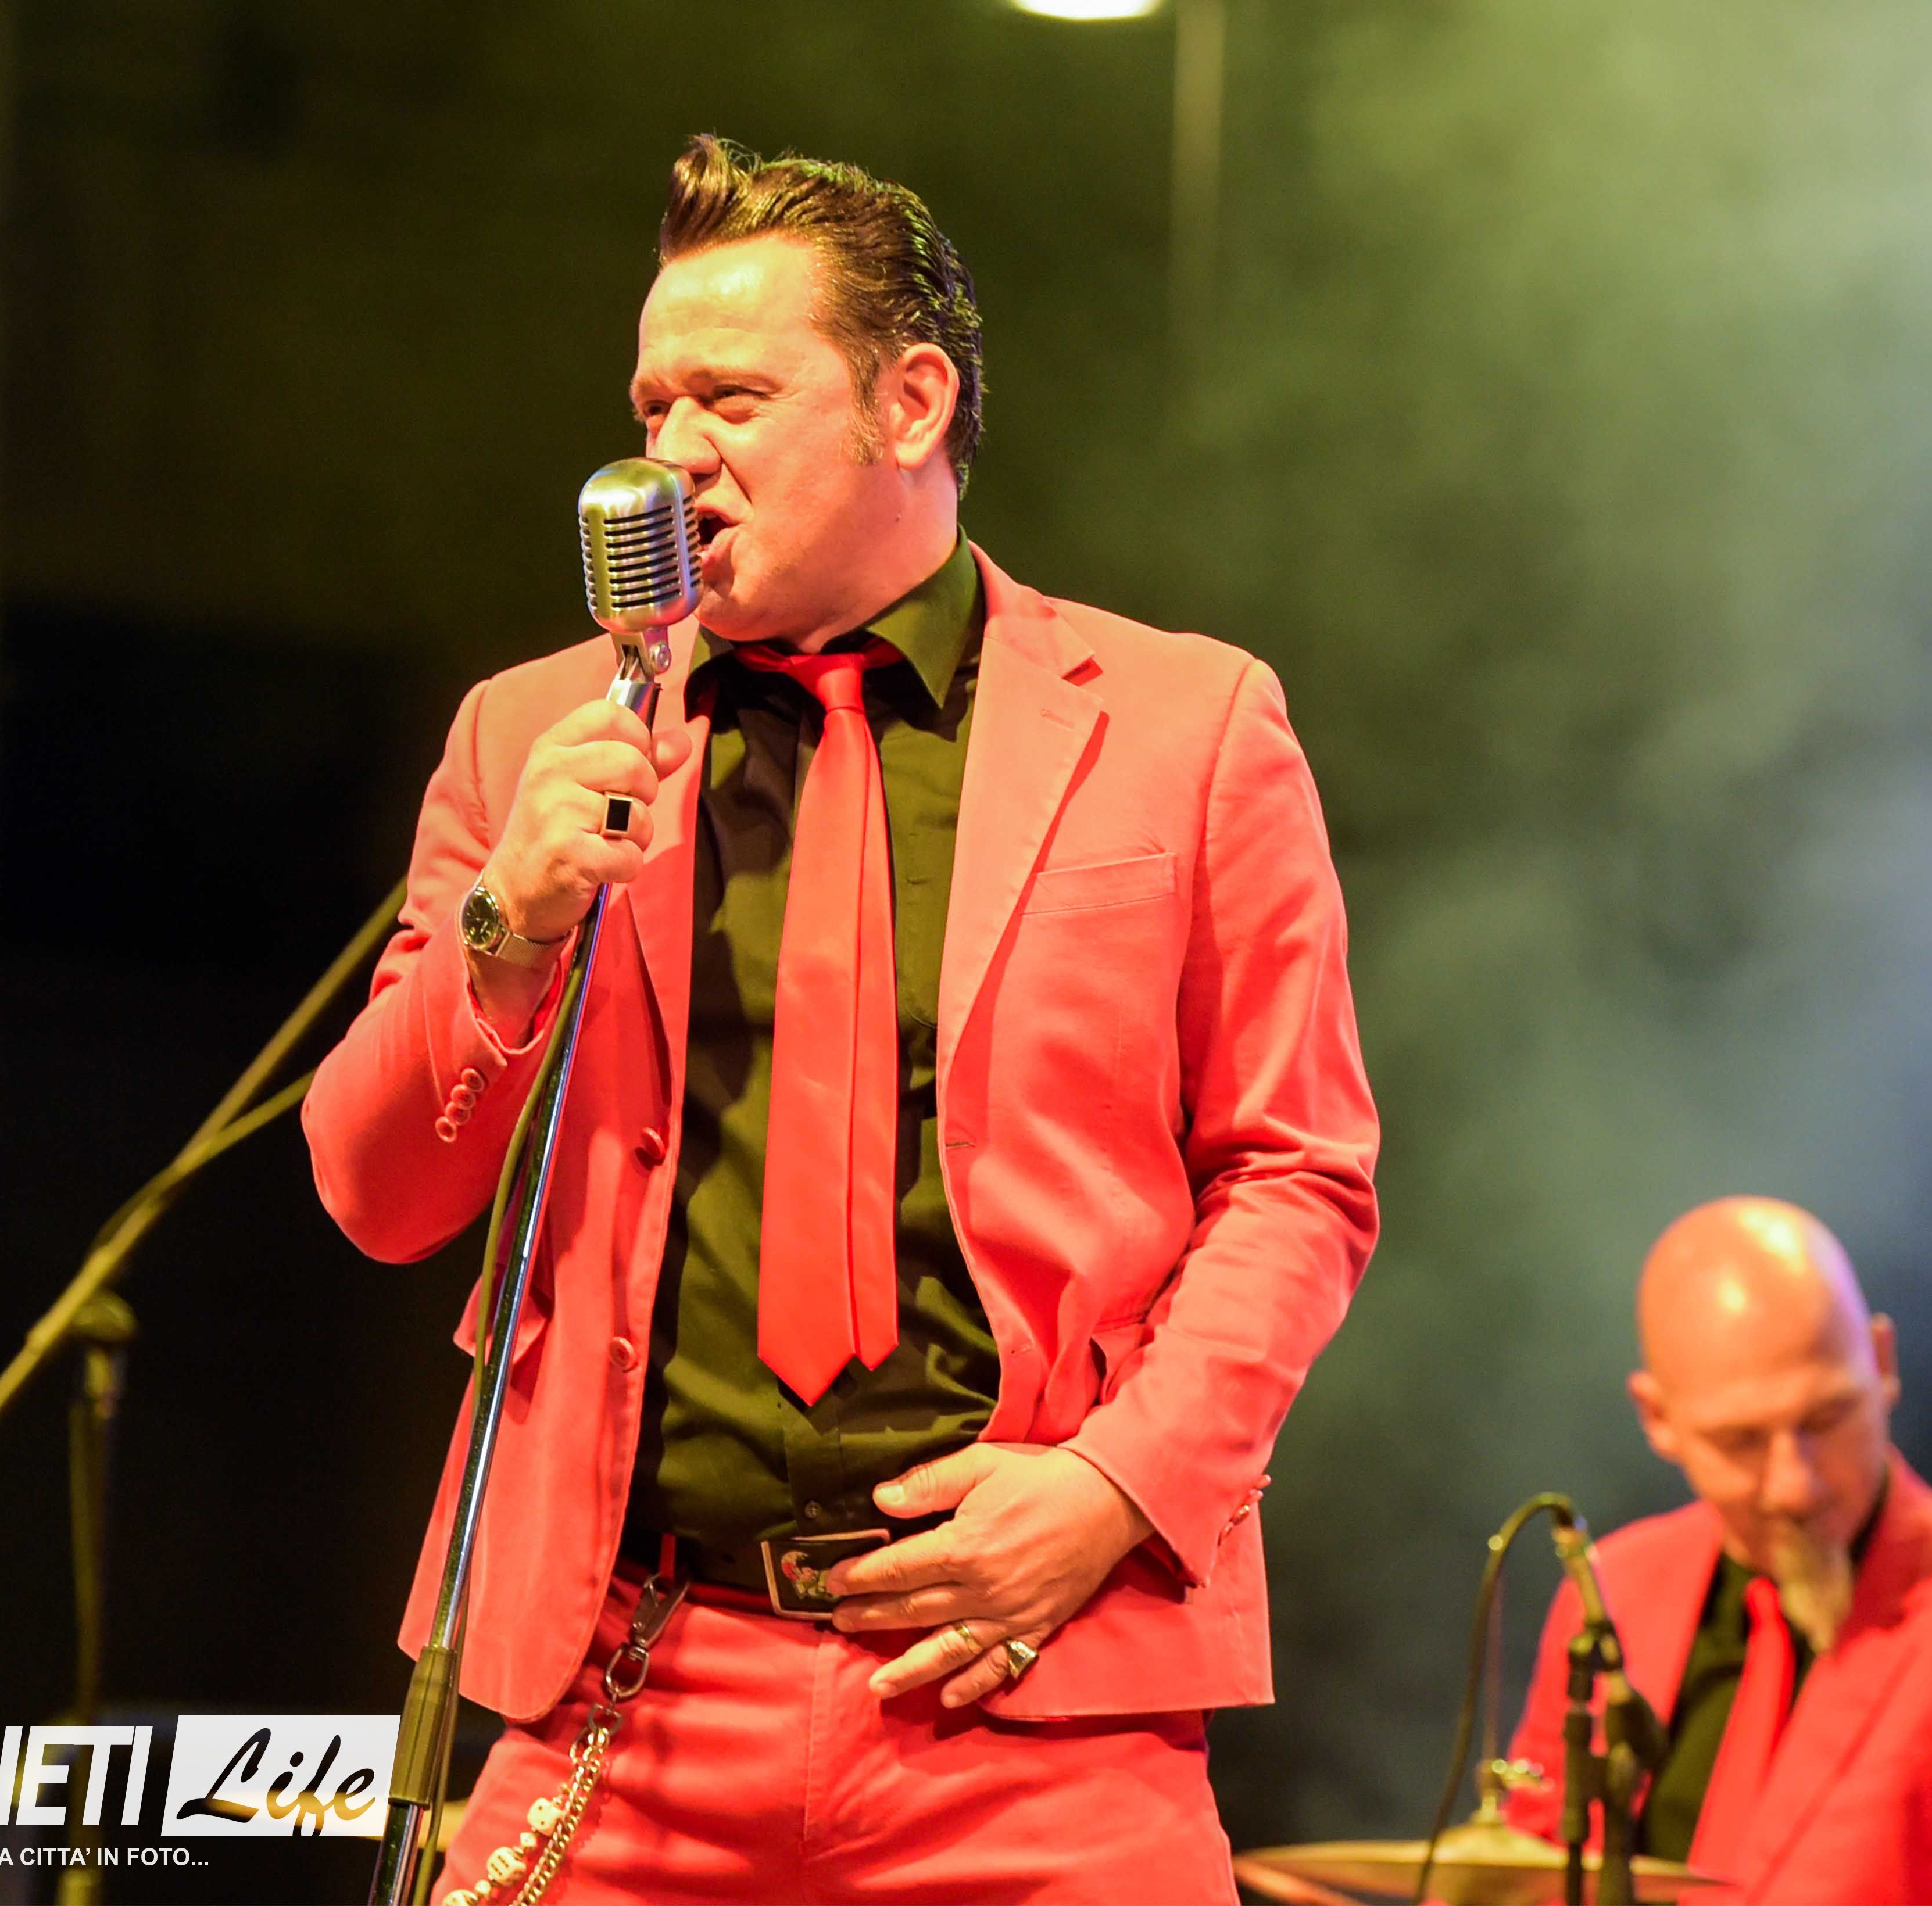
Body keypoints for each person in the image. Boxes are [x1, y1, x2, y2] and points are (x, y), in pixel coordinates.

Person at [303, 135, 1378, 1904]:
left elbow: (1297, 1173)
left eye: (730, 397)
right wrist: (509, 923)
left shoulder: (1186, 728)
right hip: (627, 1693)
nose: (670, 451)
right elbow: (374, 1191)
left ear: (909, 403)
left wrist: (1118, 1486)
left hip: (1035, 1692)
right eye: (651, 405)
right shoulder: (533, 736)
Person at [1503, 1199, 1932, 1904]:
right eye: (1741, 1441)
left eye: (1826, 1418)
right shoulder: (1616, 1587)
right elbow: (1517, 1869)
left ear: (1881, 1363)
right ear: (1657, 1417)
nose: (1794, 1486)